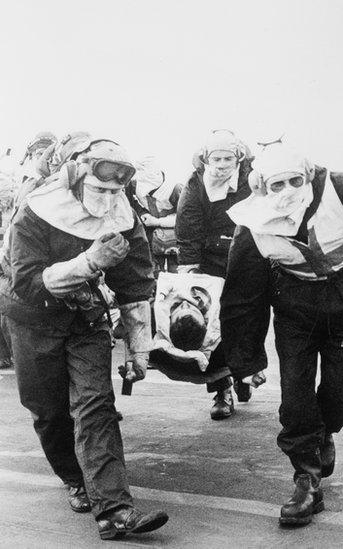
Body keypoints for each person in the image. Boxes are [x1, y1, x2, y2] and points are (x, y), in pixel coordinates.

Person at [220, 141, 343, 526]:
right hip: (295, 311)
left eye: (295, 180)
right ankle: (306, 479)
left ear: (308, 175)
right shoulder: (251, 225)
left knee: (342, 397)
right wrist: (246, 362)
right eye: (277, 185)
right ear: (261, 187)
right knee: (295, 398)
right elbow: (241, 297)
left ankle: (323, 434)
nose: (288, 190)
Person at [0, 136, 168, 540]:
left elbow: (134, 284)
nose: (108, 198)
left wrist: (139, 349)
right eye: (99, 188)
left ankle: (114, 509)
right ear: (75, 179)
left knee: (96, 404)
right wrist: (91, 261)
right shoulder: (36, 211)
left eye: (115, 190)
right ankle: (74, 478)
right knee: (49, 410)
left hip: (86, 317)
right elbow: (28, 282)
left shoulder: (124, 215)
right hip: (32, 318)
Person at [176, 129, 266, 420]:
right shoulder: (195, 185)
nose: (223, 164)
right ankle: (221, 390)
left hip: (248, 256)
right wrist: (191, 271)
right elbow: (187, 228)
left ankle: (244, 373)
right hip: (211, 261)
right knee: (212, 325)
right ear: (206, 158)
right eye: (217, 158)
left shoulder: (253, 178)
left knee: (248, 318)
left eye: (229, 158)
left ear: (238, 157)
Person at [126, 156, 181, 277]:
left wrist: (157, 221)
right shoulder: (135, 184)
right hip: (151, 236)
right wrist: (142, 213)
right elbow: (130, 202)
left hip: (174, 236)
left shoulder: (176, 189)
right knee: (152, 270)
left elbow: (185, 218)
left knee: (176, 272)